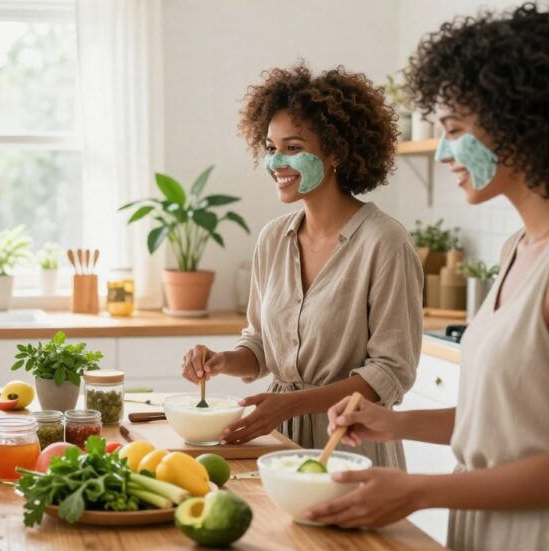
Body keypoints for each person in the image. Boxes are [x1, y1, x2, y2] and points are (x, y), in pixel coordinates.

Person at [308, 4, 549, 551]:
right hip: (486, 539)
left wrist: (417, 490)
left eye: (454, 130)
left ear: (520, 121)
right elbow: (509, 421)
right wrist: (395, 423)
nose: (445, 152)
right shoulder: (519, 246)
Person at [181, 64, 423, 468]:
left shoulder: (385, 242)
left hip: (350, 444)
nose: (277, 163)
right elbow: (260, 346)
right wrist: (223, 360)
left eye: (293, 148)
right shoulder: (273, 239)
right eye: (271, 148)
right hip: (277, 442)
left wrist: (290, 404)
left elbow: (390, 374)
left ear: (336, 151)